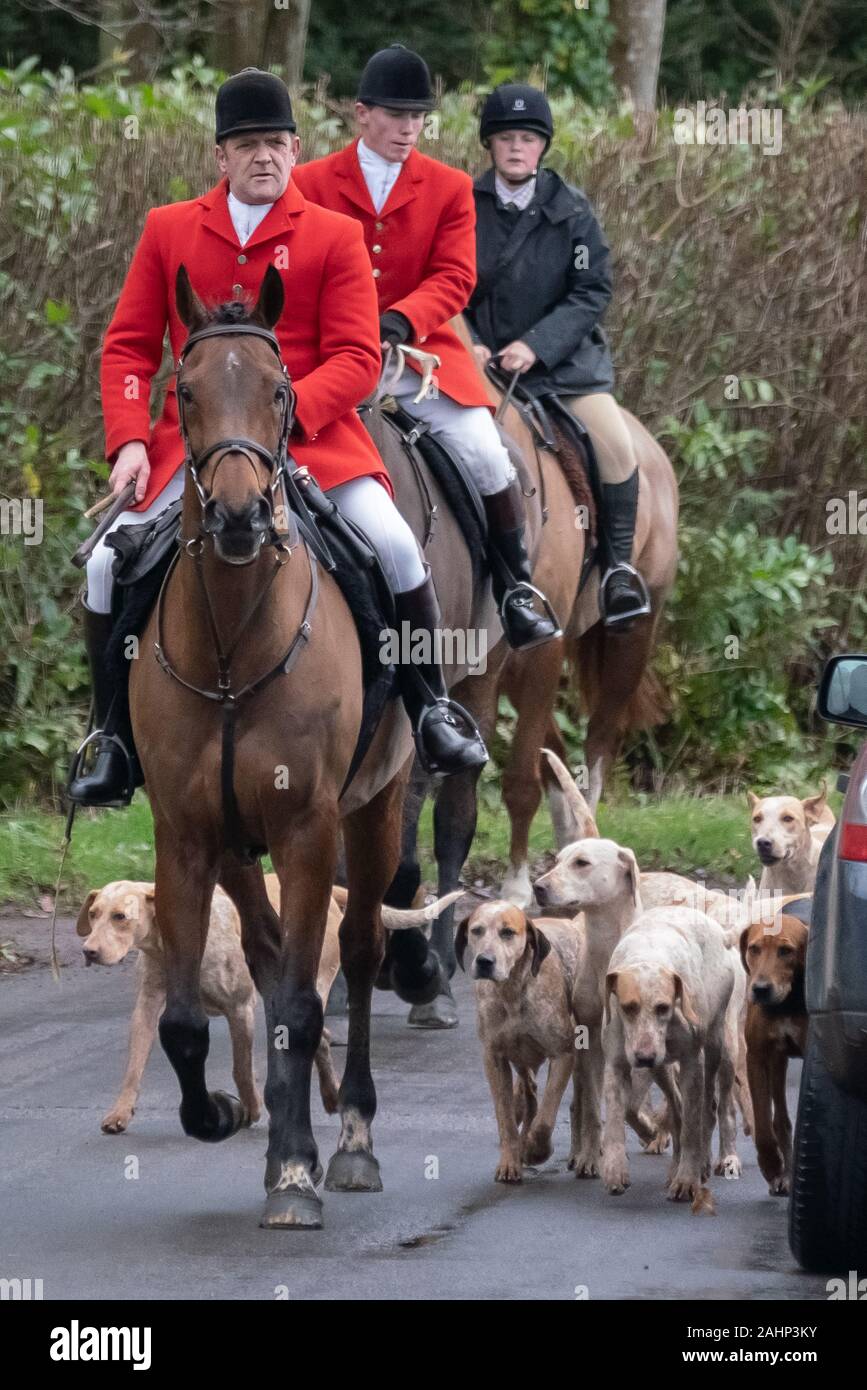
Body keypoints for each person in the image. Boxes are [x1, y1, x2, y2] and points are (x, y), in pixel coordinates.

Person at [68, 67, 487, 807]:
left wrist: (284, 420)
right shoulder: (169, 228)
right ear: (220, 157)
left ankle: (430, 710)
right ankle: (110, 739)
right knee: (105, 563)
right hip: (192, 448)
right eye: (246, 143)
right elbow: (130, 347)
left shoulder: (334, 234)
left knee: (394, 548)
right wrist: (129, 440)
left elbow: (358, 358)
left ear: (296, 151)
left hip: (316, 440)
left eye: (276, 142)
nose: (264, 155)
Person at [293, 45, 560, 652]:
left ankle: (516, 590)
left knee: (489, 454)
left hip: (420, 363)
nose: (409, 128)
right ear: (362, 114)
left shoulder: (449, 186)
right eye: (396, 114)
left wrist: (400, 319)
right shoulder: (308, 184)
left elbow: (455, 277)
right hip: (331, 362)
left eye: (418, 116)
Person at [466, 83, 651, 627]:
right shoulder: (464, 207)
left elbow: (591, 289)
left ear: (542, 146)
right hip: (481, 364)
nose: (516, 148)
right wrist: (467, 338)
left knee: (617, 447)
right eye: (505, 138)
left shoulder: (572, 212)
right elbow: (447, 280)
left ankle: (618, 570)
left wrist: (536, 345)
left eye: (527, 138)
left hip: (565, 369)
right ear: (490, 145)